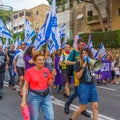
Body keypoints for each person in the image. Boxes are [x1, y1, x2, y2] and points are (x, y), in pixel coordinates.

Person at [20, 51, 56, 120]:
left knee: (50, 117)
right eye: (39, 60)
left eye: (43, 60)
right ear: (35, 61)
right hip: (34, 97)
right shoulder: (29, 71)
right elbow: (25, 87)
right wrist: (23, 100)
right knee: (34, 118)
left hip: (46, 96)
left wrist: (53, 76)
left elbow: (49, 84)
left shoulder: (46, 70)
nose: (42, 62)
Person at [70, 47, 98, 120]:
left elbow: (94, 72)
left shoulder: (91, 62)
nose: (84, 55)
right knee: (82, 107)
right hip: (84, 86)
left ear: (89, 54)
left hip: (92, 85)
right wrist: (83, 68)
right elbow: (78, 76)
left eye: (86, 53)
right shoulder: (78, 63)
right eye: (83, 53)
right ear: (81, 54)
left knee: (95, 107)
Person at [64, 39, 90, 117]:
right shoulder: (74, 52)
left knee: (83, 93)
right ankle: (67, 103)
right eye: (81, 45)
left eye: (83, 45)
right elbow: (67, 62)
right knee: (78, 92)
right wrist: (77, 63)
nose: (83, 46)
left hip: (85, 75)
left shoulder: (84, 52)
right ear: (78, 44)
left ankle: (83, 109)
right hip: (77, 75)